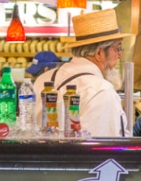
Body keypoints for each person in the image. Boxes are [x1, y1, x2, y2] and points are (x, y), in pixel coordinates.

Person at [34, 9, 128, 137]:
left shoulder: (43, 79)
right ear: (99, 53)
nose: (120, 55)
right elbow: (100, 150)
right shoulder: (101, 91)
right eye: (117, 48)